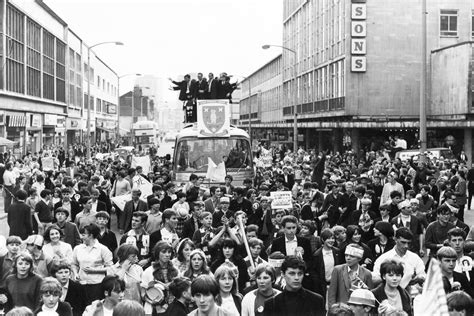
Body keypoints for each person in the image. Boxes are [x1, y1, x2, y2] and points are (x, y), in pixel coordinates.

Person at [72, 223, 113, 304]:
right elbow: (74, 264)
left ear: (91, 235)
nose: (81, 237)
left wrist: (94, 270)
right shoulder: (77, 248)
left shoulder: (103, 249)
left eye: (83, 235)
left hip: (96, 285)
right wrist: (75, 273)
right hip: (81, 284)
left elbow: (111, 268)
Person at [140, 241, 178, 315]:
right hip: (154, 310)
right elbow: (143, 294)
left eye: (169, 252)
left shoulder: (176, 270)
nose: (167, 255)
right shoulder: (148, 271)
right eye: (164, 252)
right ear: (157, 253)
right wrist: (153, 301)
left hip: (173, 309)